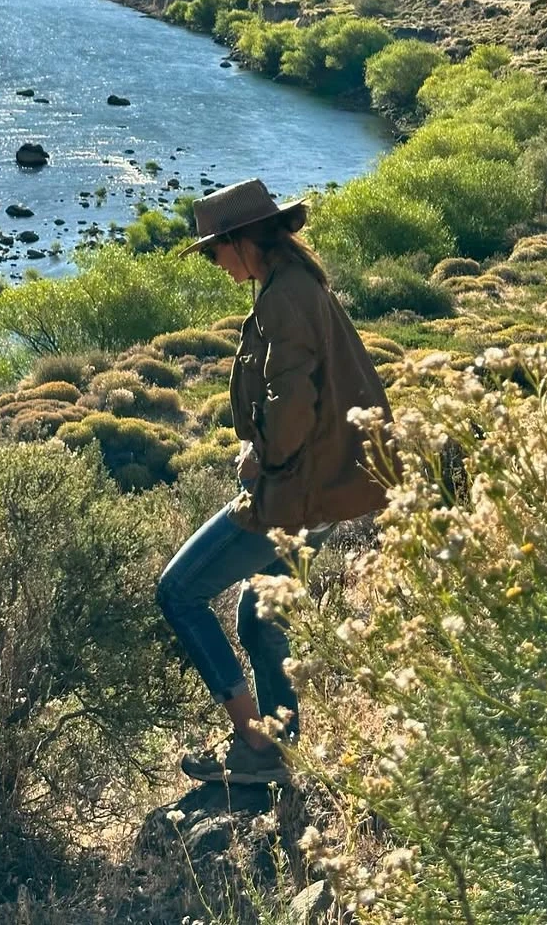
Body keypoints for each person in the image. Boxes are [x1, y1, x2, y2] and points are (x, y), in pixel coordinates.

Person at [157, 178, 393, 785]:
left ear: (241, 241)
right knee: (260, 617)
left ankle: (256, 743)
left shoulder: (283, 299)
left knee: (178, 593)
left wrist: (258, 456)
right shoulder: (296, 284)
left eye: (213, 250)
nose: (213, 263)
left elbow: (291, 409)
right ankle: (280, 750)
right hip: (322, 489)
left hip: (295, 493)